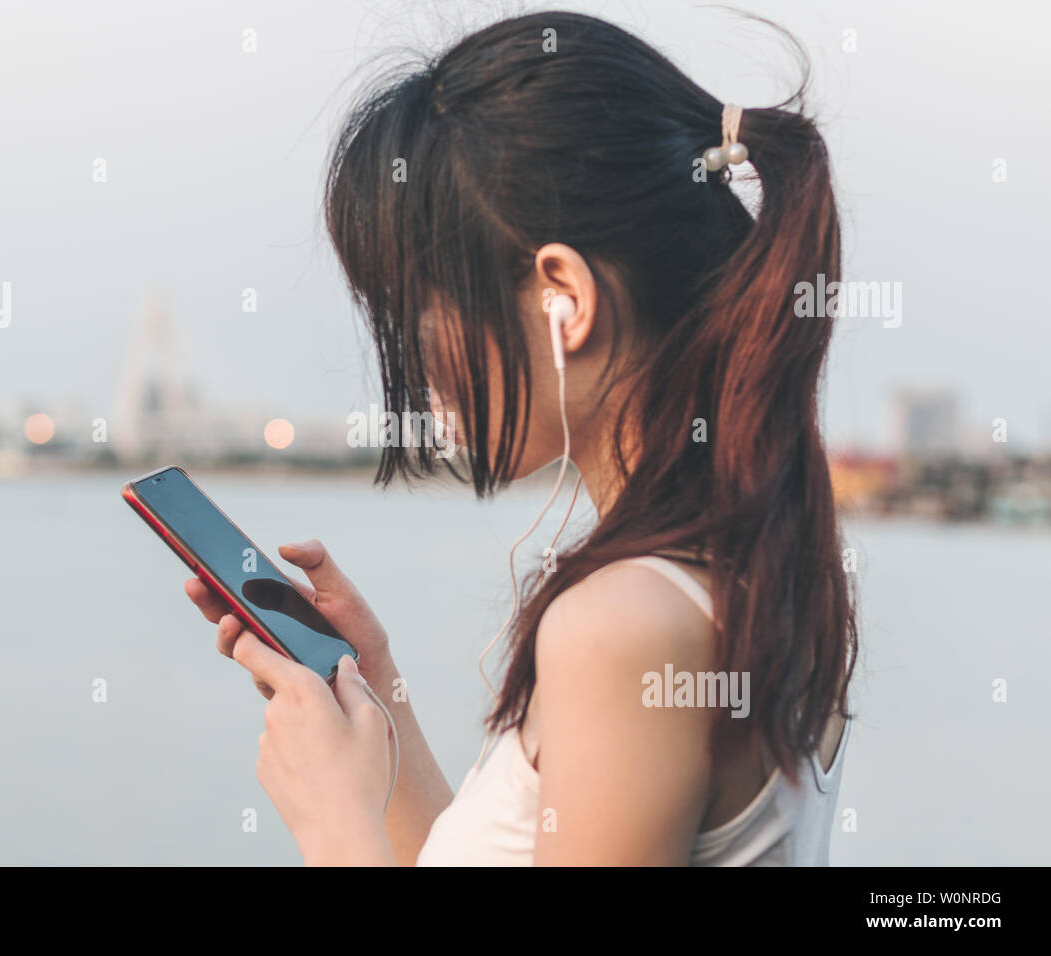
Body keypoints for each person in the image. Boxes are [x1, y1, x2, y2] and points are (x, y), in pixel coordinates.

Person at [184, 10, 857, 866]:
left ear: (563, 300)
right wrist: (376, 693)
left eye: (420, 311)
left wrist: (336, 824)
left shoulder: (623, 630)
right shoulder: (757, 561)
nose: (420, 369)